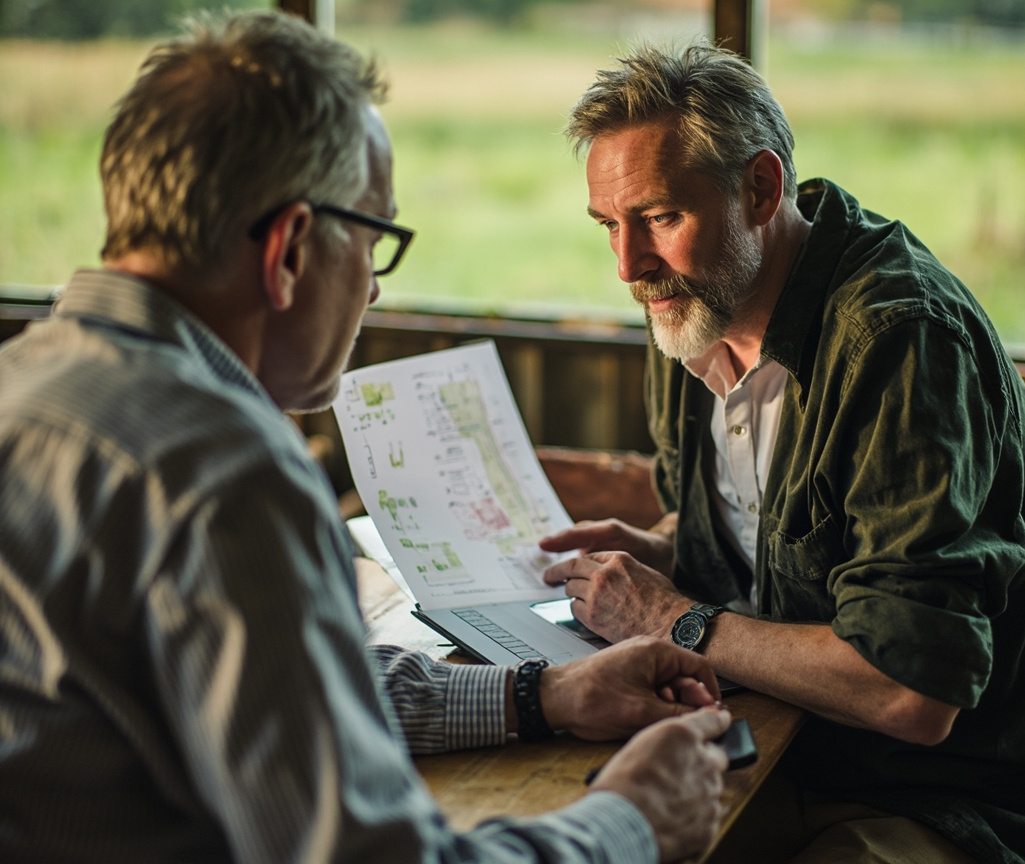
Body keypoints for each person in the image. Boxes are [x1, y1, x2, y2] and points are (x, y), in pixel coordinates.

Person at [0, 14, 733, 864]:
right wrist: (629, 819)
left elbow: (278, 698)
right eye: (376, 242)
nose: (374, 294)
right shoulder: (222, 476)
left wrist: (543, 693)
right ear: (290, 250)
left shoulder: (27, 387)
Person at [540, 40, 1025, 864]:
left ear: (762, 188)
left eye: (662, 217)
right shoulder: (689, 304)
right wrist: (673, 548)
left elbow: (913, 693)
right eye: (610, 226)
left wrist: (672, 617)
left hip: (957, 798)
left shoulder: (901, 340)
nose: (629, 265)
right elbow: (788, 537)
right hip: (786, 746)